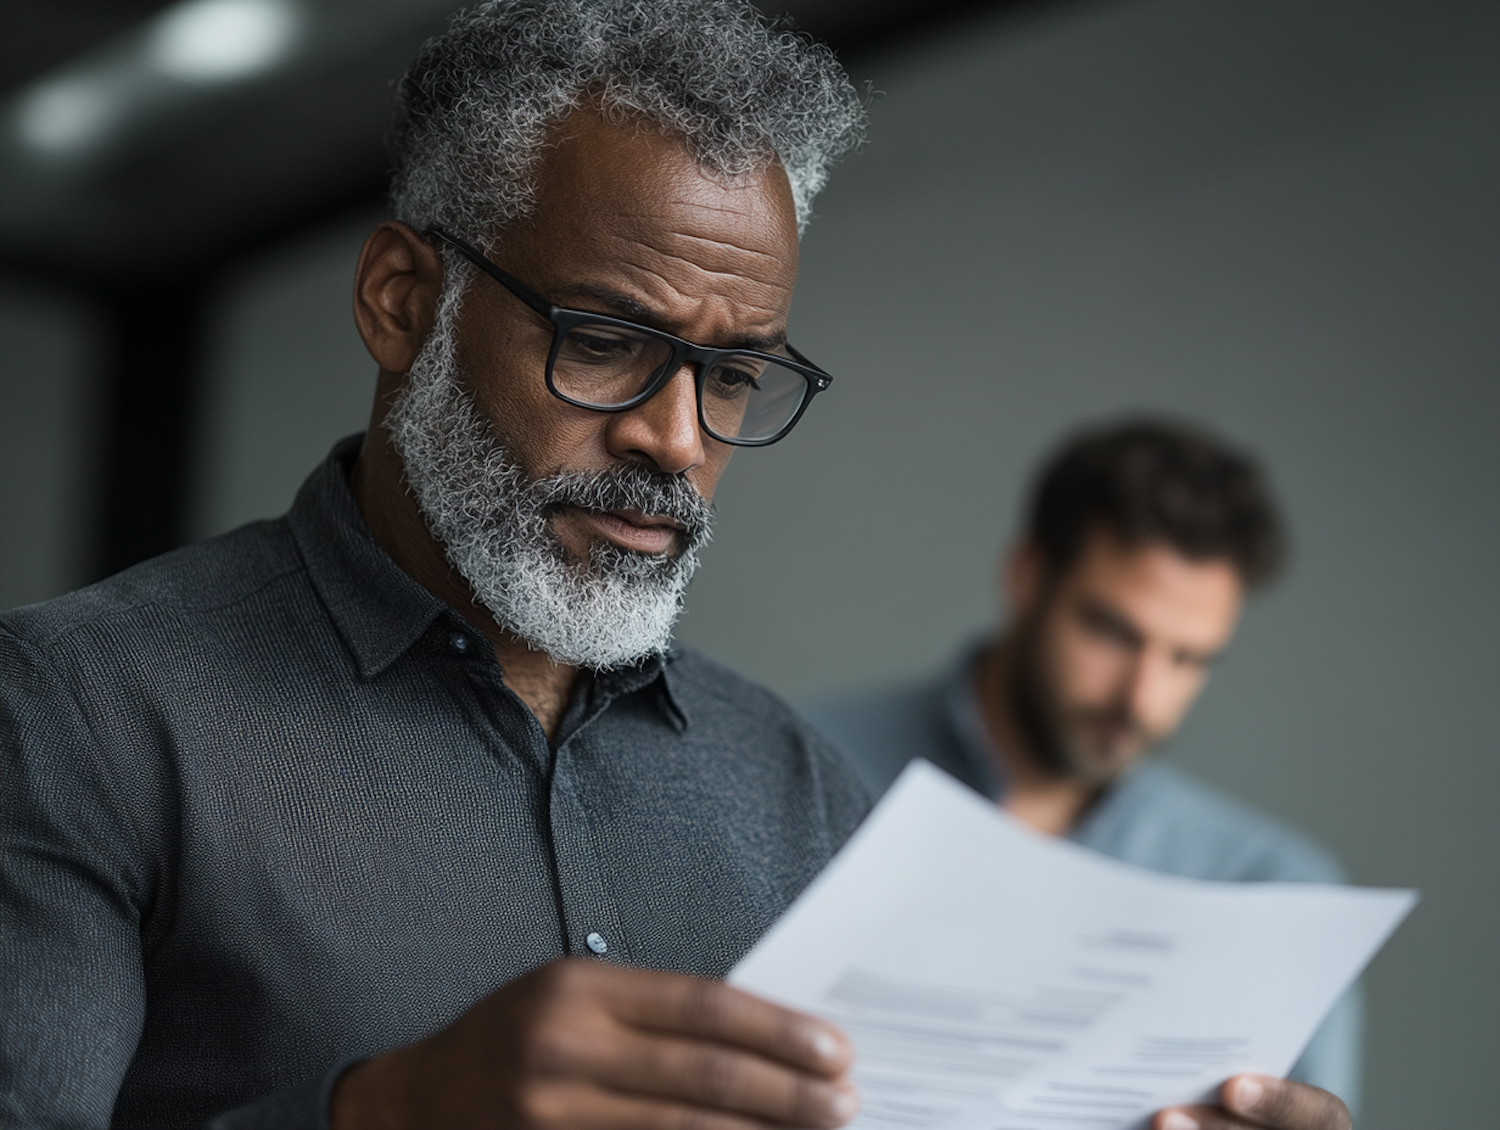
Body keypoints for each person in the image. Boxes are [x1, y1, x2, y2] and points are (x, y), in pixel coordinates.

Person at [0, 4, 1354, 1130]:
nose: (675, 437)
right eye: (602, 338)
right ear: (404, 302)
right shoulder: (78, 712)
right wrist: (378, 1116)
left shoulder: (800, 785)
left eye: (734, 372)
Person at [804, 419, 1364, 1110]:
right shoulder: (791, 765)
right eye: (1112, 632)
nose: (1142, 699)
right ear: (1026, 576)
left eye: (1189, 659)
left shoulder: (1272, 892)